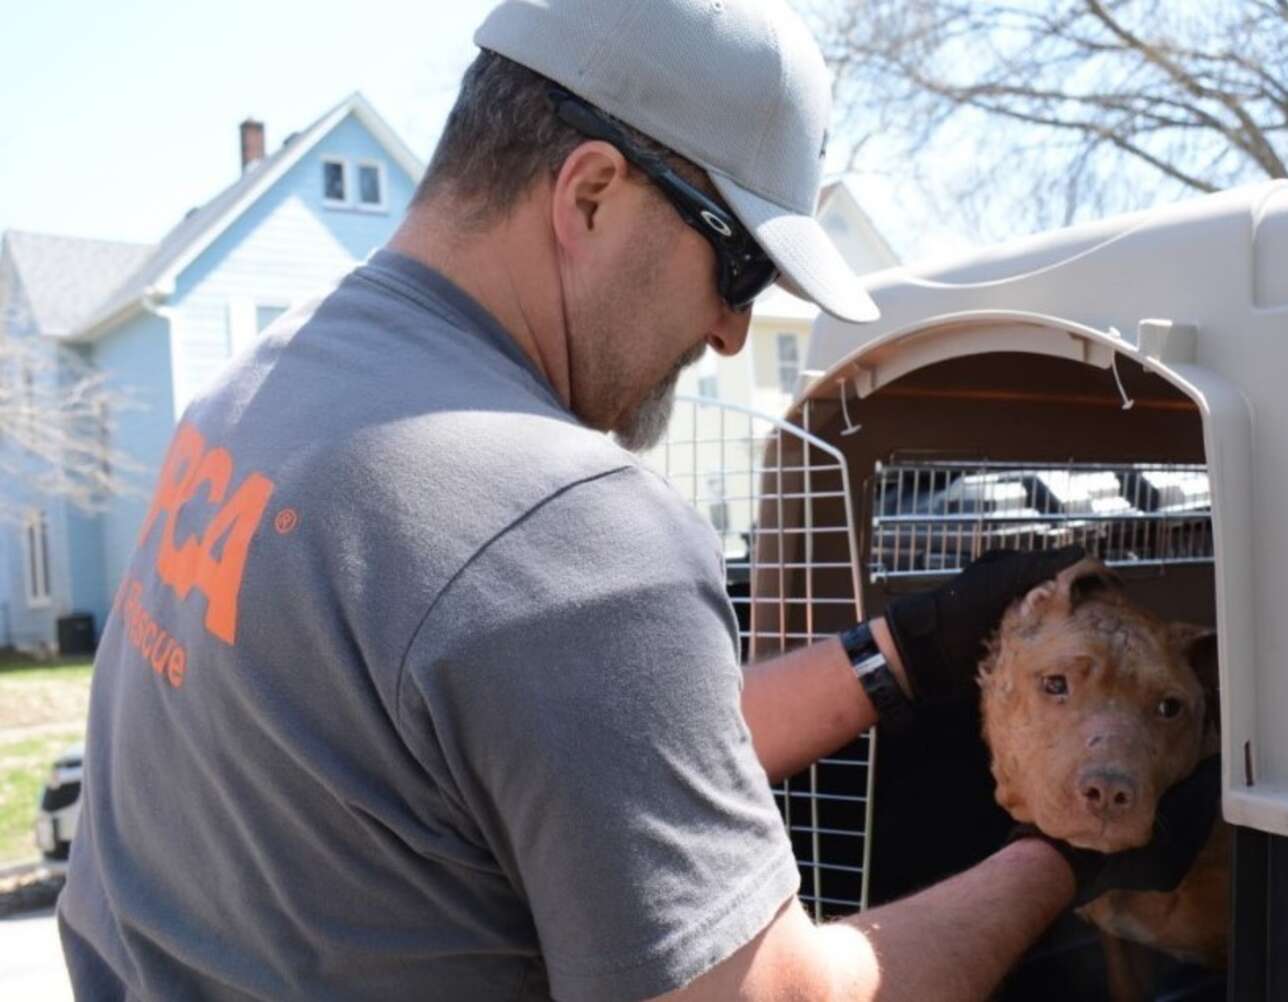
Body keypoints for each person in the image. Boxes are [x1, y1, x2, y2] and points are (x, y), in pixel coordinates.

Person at [58, 1, 1218, 999]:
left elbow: (573, 748)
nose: (727, 332)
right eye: (738, 268)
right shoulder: (555, 519)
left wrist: (899, 652)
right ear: (594, 193)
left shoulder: (255, 395)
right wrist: (1065, 851)